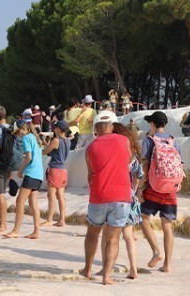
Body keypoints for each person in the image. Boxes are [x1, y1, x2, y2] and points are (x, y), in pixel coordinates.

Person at [80, 111, 132, 285]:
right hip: (121, 197)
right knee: (113, 238)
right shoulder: (125, 141)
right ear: (113, 125)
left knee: (92, 233)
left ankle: (87, 269)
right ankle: (107, 277)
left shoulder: (90, 148)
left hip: (98, 196)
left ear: (95, 128)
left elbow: (90, 176)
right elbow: (128, 161)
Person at [96, 123, 144, 279]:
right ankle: (133, 269)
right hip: (129, 196)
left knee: (107, 235)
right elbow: (138, 177)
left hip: (113, 195)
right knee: (129, 236)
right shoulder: (133, 154)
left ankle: (105, 269)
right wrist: (134, 192)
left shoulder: (114, 152)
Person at [137, 111, 182, 273]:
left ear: (153, 124)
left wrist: (140, 187)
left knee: (143, 218)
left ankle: (156, 251)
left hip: (154, 187)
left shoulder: (149, 140)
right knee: (167, 225)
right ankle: (168, 265)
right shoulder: (173, 141)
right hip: (171, 188)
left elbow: (145, 165)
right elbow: (180, 164)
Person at [4, 119, 43, 239]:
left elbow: (28, 157)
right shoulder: (34, 138)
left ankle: (16, 230)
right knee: (33, 204)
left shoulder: (26, 138)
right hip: (39, 174)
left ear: (22, 129)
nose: (17, 135)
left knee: (19, 201)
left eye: (17, 132)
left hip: (31, 174)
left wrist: (20, 171)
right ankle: (36, 232)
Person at [41, 120, 71, 227]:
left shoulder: (56, 140)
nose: (54, 129)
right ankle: (62, 220)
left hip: (55, 169)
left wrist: (39, 148)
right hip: (63, 170)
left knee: (51, 196)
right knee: (61, 196)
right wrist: (46, 144)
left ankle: (49, 219)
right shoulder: (68, 141)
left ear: (58, 128)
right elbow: (55, 150)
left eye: (55, 127)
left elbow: (45, 152)